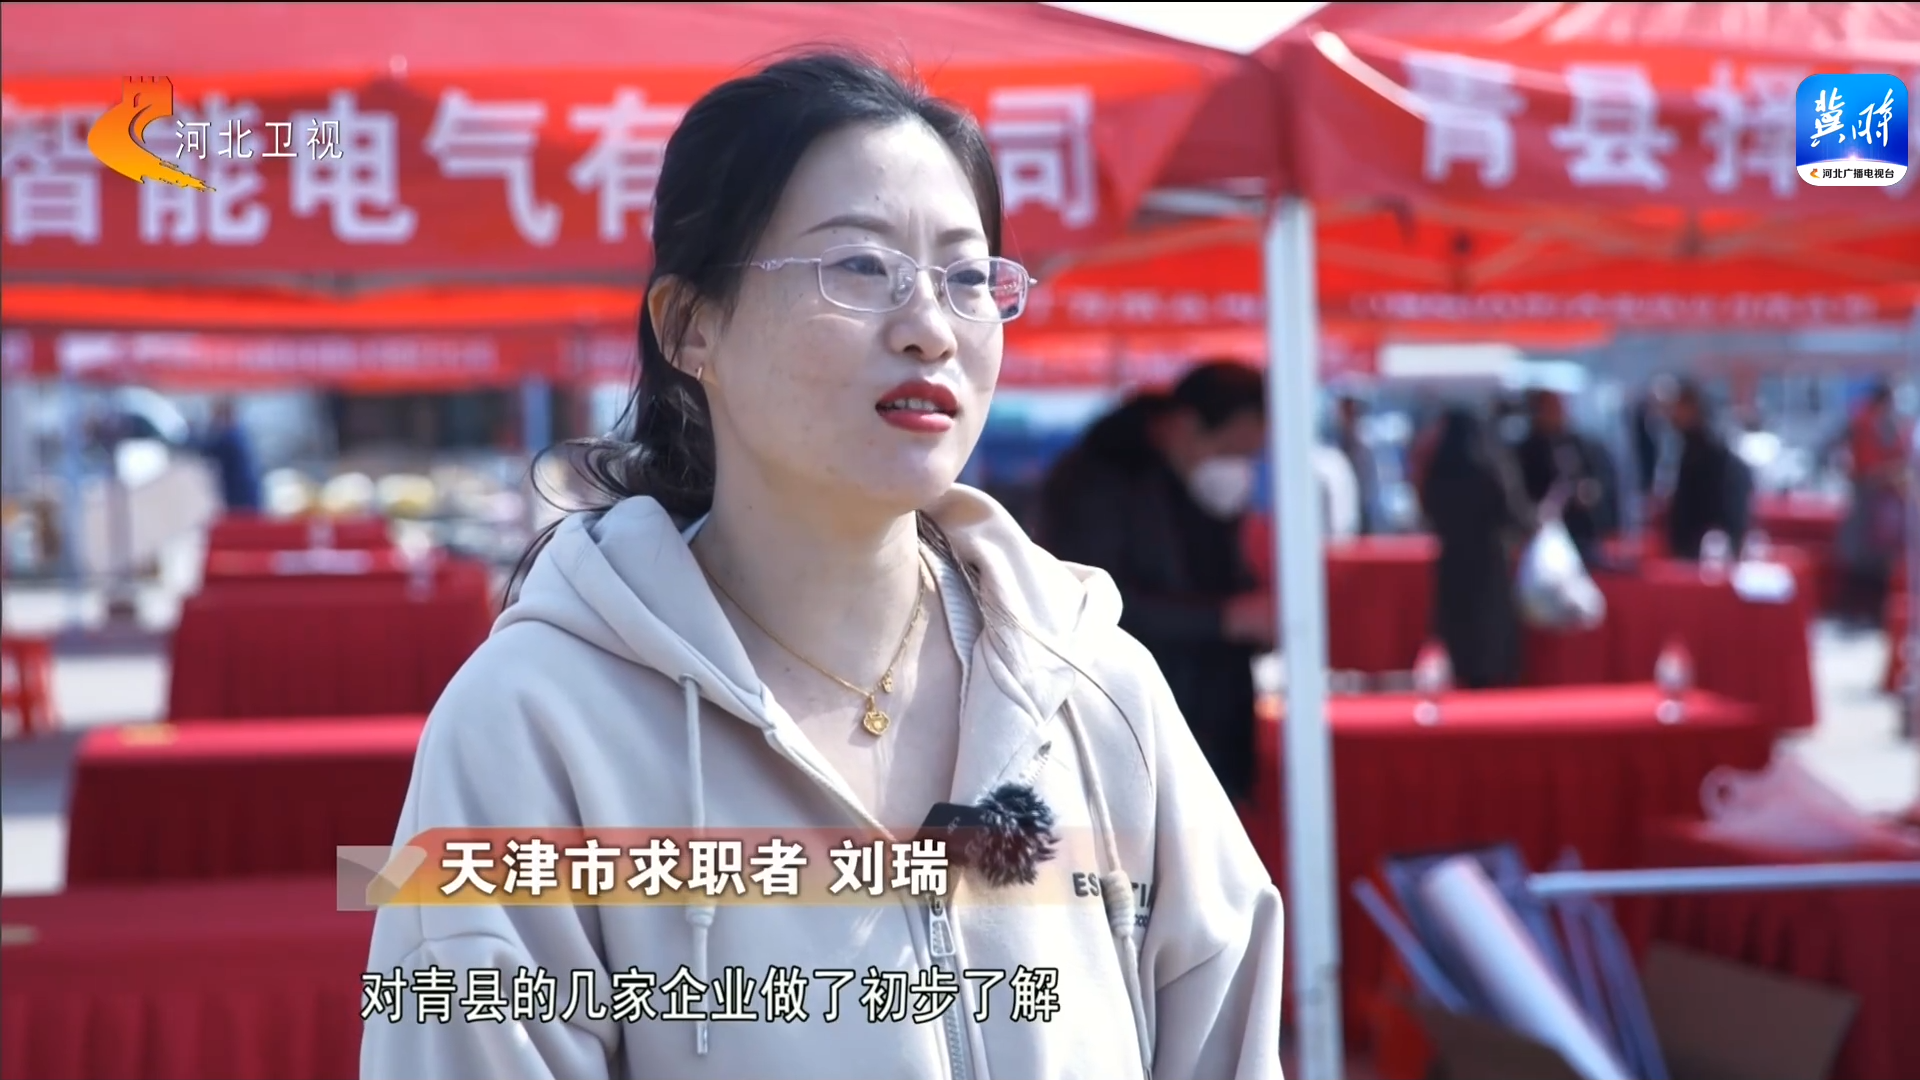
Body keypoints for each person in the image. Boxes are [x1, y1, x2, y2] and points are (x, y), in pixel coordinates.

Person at [361, 52, 1285, 1080]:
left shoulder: (1097, 693)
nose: (929, 329)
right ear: (689, 326)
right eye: (859, 267)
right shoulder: (532, 724)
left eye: (967, 277)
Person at [1029, 361, 1272, 805]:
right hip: (1133, 726)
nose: (1237, 470)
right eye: (1228, 452)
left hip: (1212, 722)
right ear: (1184, 426)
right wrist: (1225, 620)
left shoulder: (1192, 485)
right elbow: (1097, 606)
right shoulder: (1100, 482)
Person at [1420, 406, 1536, 690]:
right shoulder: (1491, 467)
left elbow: (1428, 511)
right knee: (1488, 630)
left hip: (1453, 561)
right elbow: (1513, 512)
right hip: (1488, 561)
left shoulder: (1439, 470)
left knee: (1460, 629)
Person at [1513, 389, 1620, 565]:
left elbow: (1602, 478)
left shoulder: (1582, 444)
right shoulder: (1525, 451)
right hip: (1543, 537)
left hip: (1582, 532)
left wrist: (1590, 491)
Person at [1838, 380, 1912, 624]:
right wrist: (1894, 473)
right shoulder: (1865, 422)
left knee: (1879, 559)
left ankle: (1873, 610)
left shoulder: (1887, 423)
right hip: (1869, 499)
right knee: (1864, 557)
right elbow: (1867, 468)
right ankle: (1857, 610)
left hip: (1885, 502)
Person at [1662, 379, 1751, 561]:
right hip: (1692, 547)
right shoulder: (1689, 447)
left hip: (1704, 549)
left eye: (1678, 407)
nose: (1673, 414)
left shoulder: (1708, 452)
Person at [194, 398, 262, 513]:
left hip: (240, 496)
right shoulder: (238, 432)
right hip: (241, 494)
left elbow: (205, 449)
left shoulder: (231, 437)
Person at [1334, 395, 1382, 535]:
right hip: (1343, 514)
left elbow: (1368, 489)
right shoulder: (1337, 442)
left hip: (1361, 514)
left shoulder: (1363, 446)